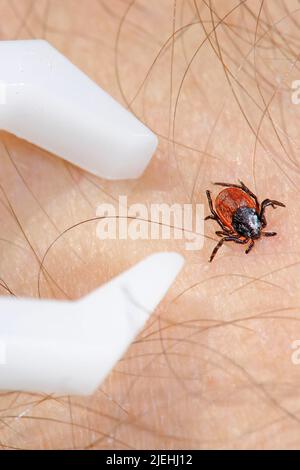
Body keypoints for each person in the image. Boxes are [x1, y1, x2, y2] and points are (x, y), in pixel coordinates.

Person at [0, 0, 298, 449]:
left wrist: (229, 217)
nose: (253, 230)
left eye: (253, 230)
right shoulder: (246, 217)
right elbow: (236, 204)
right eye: (254, 228)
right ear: (257, 217)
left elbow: (232, 202)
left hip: (222, 200)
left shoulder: (237, 215)